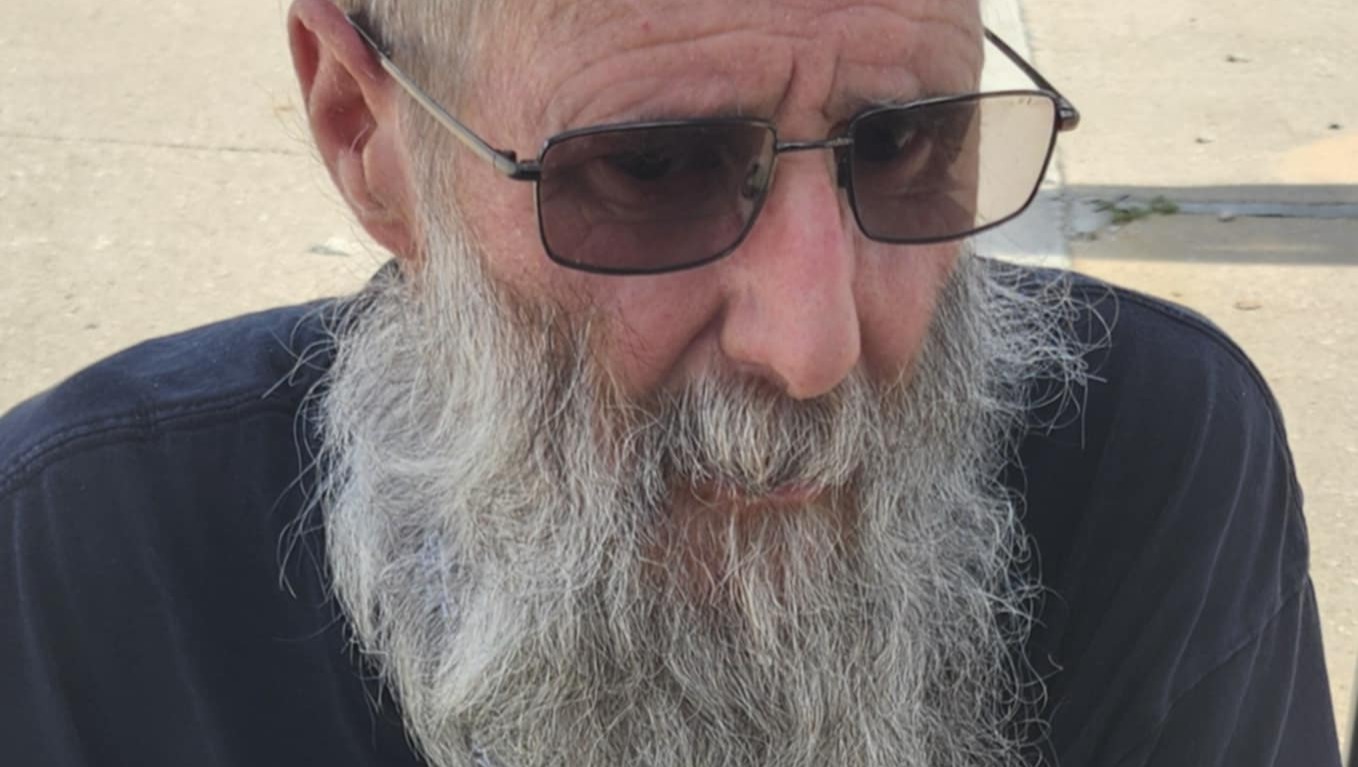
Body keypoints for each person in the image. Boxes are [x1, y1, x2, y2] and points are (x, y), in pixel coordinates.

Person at [0, 0, 1343, 764]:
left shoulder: (1150, 460)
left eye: (904, 146)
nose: (813, 346)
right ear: (368, 136)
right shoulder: (90, 565)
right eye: (650, 168)